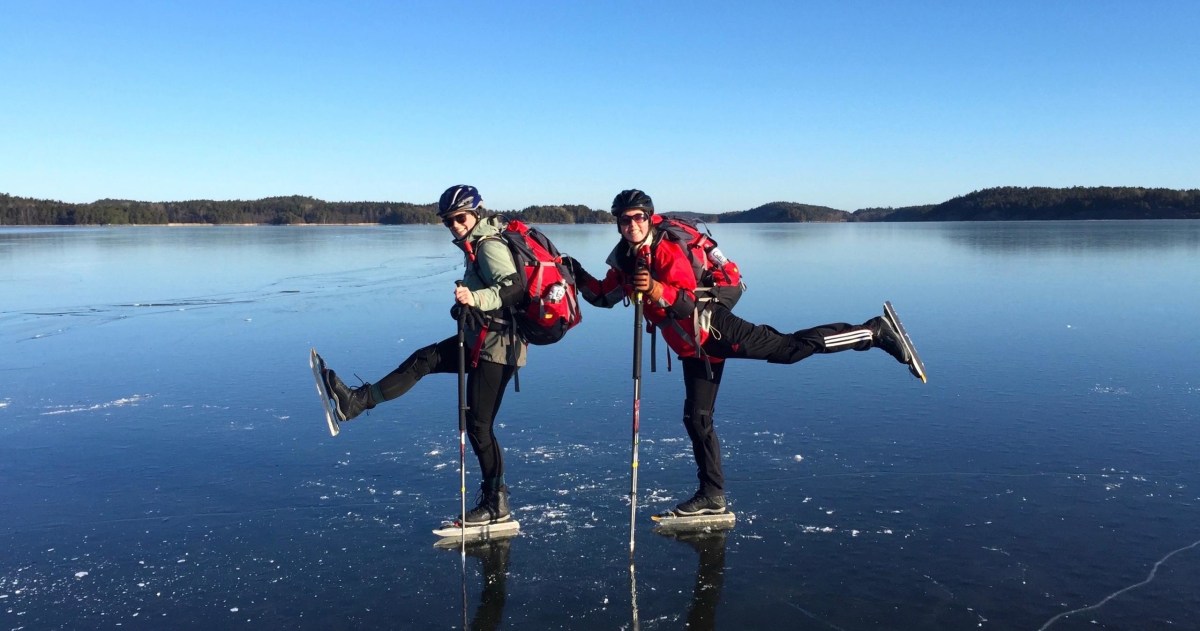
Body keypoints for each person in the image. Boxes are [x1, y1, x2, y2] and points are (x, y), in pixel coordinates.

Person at [567, 189, 924, 517]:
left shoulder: (665, 248)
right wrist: (577, 274)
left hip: (714, 328)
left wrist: (658, 288)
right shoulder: (628, 259)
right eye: (625, 220)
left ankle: (872, 332)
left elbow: (687, 299)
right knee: (697, 418)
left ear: (649, 217)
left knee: (787, 349)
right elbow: (603, 296)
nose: (632, 225)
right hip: (693, 345)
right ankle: (712, 495)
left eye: (638, 217)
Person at [320, 184, 525, 525]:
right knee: (424, 360)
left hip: (499, 348)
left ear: (477, 213)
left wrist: (475, 301)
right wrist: (467, 308)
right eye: (449, 221)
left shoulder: (488, 245)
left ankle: (496, 504)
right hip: (482, 337)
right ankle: (356, 402)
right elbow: (490, 294)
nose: (456, 226)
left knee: (479, 426)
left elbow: (513, 288)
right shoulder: (476, 244)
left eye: (460, 218)